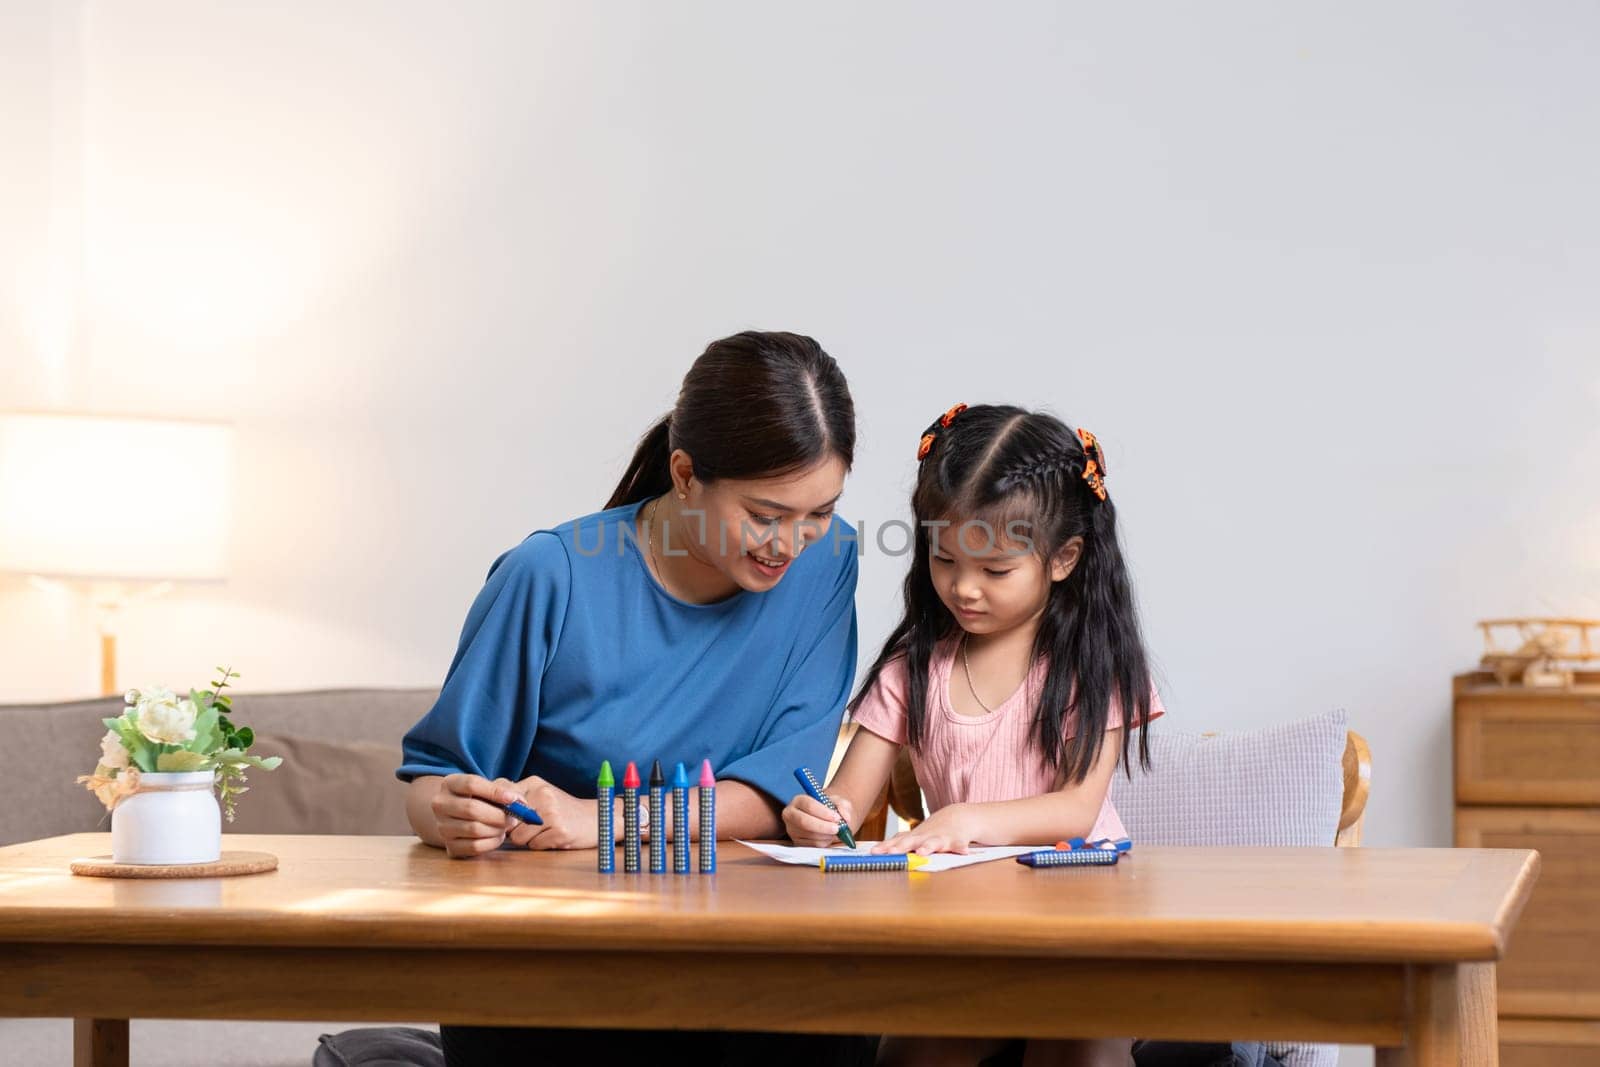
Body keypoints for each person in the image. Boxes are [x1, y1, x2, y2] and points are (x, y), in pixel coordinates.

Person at [398, 330, 875, 1067]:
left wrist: (602, 820)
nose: (792, 541)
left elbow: (777, 789)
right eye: (766, 514)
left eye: (819, 510)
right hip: (557, 964)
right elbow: (431, 781)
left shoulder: (829, 561)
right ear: (685, 474)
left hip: (752, 961)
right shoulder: (549, 576)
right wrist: (453, 815)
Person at [784, 403, 1162, 1067]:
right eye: (945, 557)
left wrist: (963, 819)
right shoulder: (915, 666)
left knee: (1078, 1047)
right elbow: (848, 794)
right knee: (911, 1050)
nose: (963, 588)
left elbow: (1075, 808)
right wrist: (822, 814)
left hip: (1085, 927)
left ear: (1064, 557)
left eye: (995, 571)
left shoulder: (1089, 666)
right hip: (966, 936)